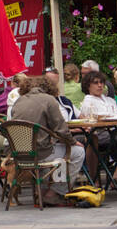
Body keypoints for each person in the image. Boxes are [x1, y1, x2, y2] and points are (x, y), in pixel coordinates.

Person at [10, 75, 85, 205]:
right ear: (49, 87)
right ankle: (55, 192)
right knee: (77, 152)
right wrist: (73, 142)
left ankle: (41, 192)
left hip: (20, 154)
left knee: (52, 150)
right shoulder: (49, 100)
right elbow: (61, 128)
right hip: (41, 153)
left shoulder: (18, 102)